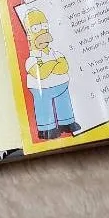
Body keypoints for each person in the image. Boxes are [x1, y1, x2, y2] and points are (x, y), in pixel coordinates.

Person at [23, 10, 78, 140]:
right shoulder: (31, 60)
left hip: (61, 85)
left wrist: (49, 65)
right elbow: (41, 74)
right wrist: (54, 64)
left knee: (63, 102)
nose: (43, 33)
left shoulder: (55, 53)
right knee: (43, 106)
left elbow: (63, 68)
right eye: (36, 28)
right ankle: (46, 128)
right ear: (29, 35)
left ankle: (67, 122)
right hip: (42, 89)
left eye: (44, 27)